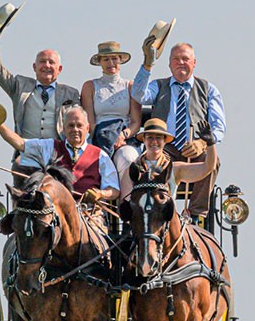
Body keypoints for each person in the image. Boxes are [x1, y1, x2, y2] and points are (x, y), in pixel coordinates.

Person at [130, 40, 225, 220]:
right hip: (165, 148)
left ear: (194, 62)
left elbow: (219, 126)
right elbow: (138, 95)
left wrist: (203, 143)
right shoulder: (159, 86)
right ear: (169, 63)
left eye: (185, 59)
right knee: (147, 162)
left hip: (194, 148)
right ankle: (156, 213)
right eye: (176, 59)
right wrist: (147, 65)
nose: (181, 62)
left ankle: (196, 215)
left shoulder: (208, 89)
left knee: (212, 161)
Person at [0, 105, 120, 208]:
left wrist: (100, 194)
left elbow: (114, 190)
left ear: (87, 128)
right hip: (56, 211)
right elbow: (21, 144)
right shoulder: (51, 146)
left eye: (79, 125)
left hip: (89, 212)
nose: (75, 129)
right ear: (63, 129)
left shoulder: (100, 155)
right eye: (71, 125)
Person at [0, 19, 80, 141]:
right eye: (42, 62)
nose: (47, 65)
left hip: (59, 153)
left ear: (59, 69)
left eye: (51, 62)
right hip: (27, 151)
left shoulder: (71, 93)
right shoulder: (20, 85)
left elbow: (79, 123)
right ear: (34, 67)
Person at [124, 118, 216, 203]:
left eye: (158, 137)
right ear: (144, 140)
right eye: (150, 137)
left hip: (168, 217)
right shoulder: (133, 169)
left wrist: (210, 144)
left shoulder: (173, 168)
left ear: (165, 141)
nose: (154, 142)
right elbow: (126, 199)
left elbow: (207, 167)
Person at [80, 42, 142, 157]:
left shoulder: (130, 86)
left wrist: (122, 136)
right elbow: (89, 121)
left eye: (114, 58)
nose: (111, 63)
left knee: (127, 158)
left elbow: (136, 122)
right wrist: (105, 138)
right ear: (100, 62)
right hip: (98, 137)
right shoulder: (90, 86)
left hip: (125, 139)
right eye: (106, 59)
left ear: (120, 60)